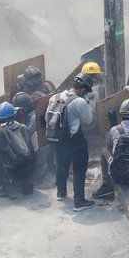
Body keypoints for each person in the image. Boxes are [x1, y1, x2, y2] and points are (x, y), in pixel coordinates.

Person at [45, 73, 96, 210]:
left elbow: (46, 118)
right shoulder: (79, 101)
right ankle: (79, 202)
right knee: (79, 169)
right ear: (84, 90)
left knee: (62, 164)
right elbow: (89, 120)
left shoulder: (54, 97)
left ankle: (61, 192)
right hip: (74, 140)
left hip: (57, 138)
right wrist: (88, 102)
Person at [93, 99, 129, 200]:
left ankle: (106, 184)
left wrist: (112, 123)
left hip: (117, 175)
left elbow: (110, 146)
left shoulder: (114, 130)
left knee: (104, 150)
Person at [0, 101, 36, 198]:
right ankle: (26, 181)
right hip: (29, 169)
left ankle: (0, 187)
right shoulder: (23, 127)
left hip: (12, 170)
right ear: (14, 115)